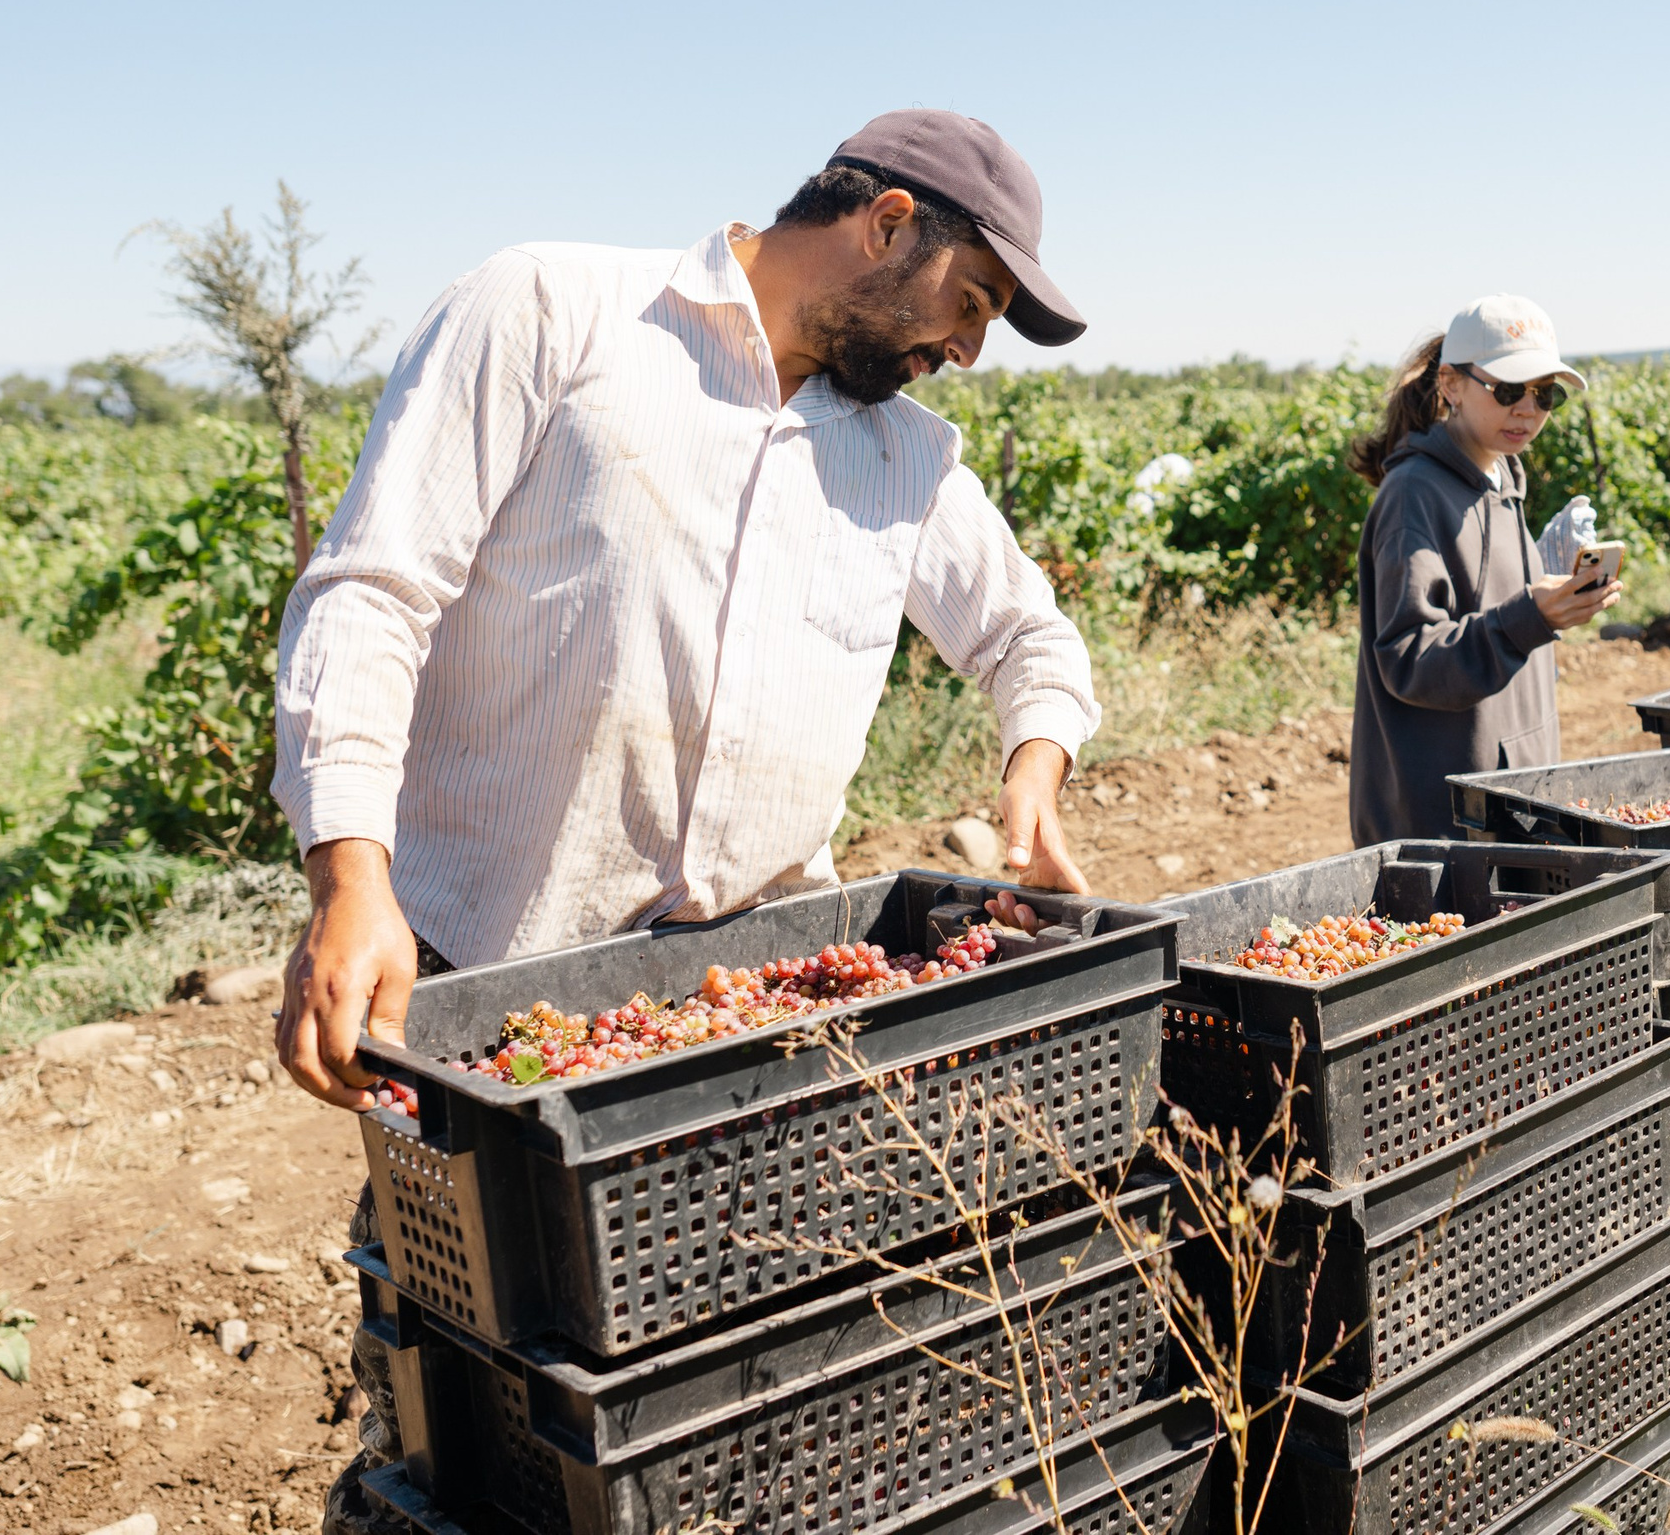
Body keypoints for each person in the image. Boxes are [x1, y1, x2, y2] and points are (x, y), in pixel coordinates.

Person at [277, 110, 1103, 1535]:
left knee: (744, 1414)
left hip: (754, 1009)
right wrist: (352, 876)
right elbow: (374, 591)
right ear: (886, 223)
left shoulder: (905, 456)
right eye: (970, 302)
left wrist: (1034, 770)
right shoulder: (555, 314)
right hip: (498, 1005)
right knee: (465, 1420)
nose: (967, 348)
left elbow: (1032, 638)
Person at [1348, 296, 1618, 844]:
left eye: (1545, 394)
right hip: (1446, 824)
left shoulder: (1501, 477)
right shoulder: (1413, 495)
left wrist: (1550, 588)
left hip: (1513, 799)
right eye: (1509, 390)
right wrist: (1528, 618)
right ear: (1451, 384)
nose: (1528, 410)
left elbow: (1491, 611)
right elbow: (1410, 658)